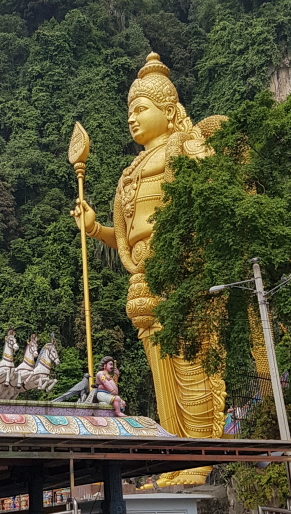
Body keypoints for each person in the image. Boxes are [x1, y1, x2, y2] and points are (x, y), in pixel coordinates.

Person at [73, 52, 227, 483]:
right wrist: (95, 228)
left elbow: (210, 203)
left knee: (192, 364)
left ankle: (201, 460)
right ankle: (178, 459)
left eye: (141, 109)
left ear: (168, 110)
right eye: (130, 111)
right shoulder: (130, 171)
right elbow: (129, 233)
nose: (132, 118)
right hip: (144, 278)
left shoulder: (188, 148)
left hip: (182, 272)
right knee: (162, 373)